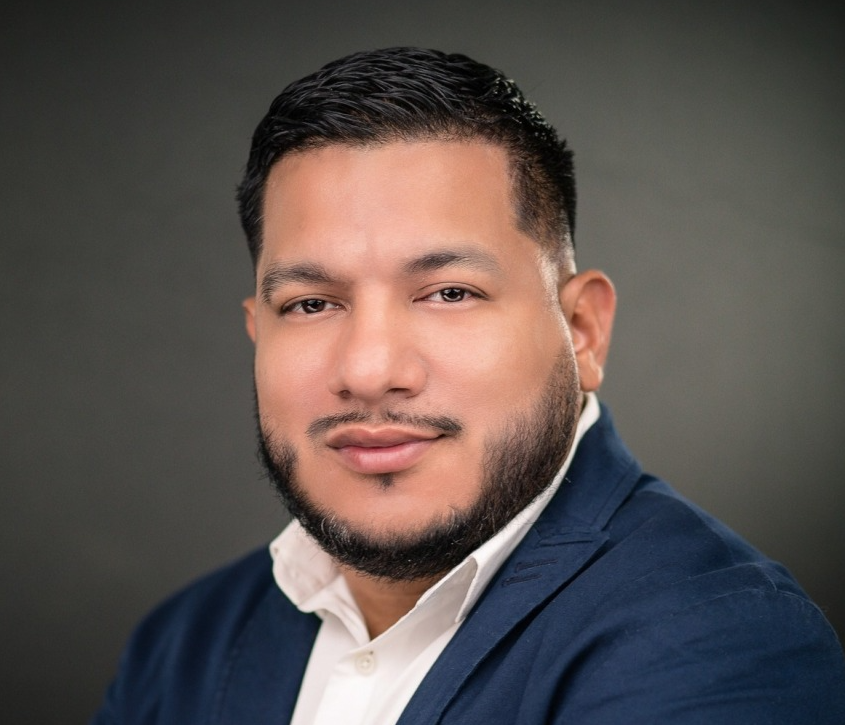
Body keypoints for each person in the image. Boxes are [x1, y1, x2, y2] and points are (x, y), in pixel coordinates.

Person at [92, 47, 845, 724]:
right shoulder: (181, 647)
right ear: (258, 332)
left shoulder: (720, 641)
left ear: (581, 330)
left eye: (449, 292)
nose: (368, 371)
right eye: (311, 304)